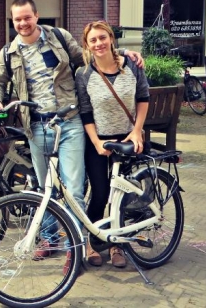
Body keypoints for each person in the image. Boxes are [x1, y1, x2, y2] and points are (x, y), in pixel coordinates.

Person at [0, 0, 143, 268]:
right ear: (13, 22)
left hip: (69, 122)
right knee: (42, 187)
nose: (23, 23)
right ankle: (50, 239)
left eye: (27, 17)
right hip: (36, 126)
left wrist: (123, 54)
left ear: (36, 16)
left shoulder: (58, 37)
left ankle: (77, 245)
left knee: (73, 188)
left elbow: (88, 58)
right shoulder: (8, 52)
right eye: (18, 19)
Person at [75, 20, 149, 268]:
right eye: (93, 40)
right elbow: (85, 112)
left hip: (128, 139)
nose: (99, 43)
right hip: (100, 142)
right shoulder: (83, 74)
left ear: (111, 39)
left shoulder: (132, 66)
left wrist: (137, 132)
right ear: (86, 44)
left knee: (123, 198)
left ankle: (118, 244)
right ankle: (92, 240)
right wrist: (96, 142)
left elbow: (143, 98)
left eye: (102, 38)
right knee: (100, 193)